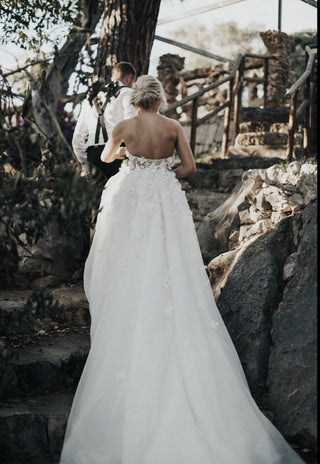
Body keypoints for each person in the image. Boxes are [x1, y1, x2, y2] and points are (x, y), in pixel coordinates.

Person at [60, 75, 304, 464]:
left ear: (136, 100)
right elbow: (188, 167)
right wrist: (161, 174)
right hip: (164, 196)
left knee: (127, 255)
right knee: (171, 257)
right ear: (159, 100)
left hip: (133, 192)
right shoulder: (173, 126)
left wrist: (129, 158)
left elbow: (105, 158)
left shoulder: (124, 126)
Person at [72, 61, 137, 179]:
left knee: (99, 196)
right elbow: (131, 125)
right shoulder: (128, 93)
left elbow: (78, 136)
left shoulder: (90, 98)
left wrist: (85, 164)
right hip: (118, 153)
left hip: (93, 155)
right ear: (129, 78)